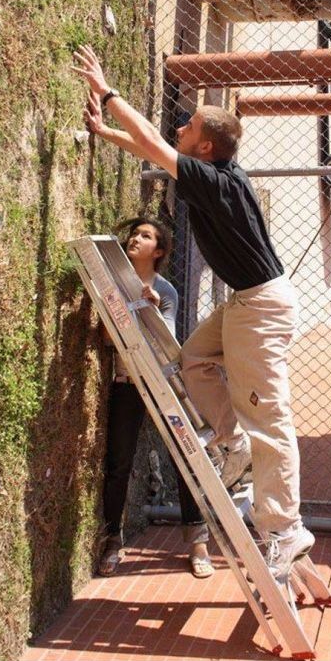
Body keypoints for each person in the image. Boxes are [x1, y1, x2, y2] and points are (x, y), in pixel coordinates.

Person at [72, 44, 315, 581]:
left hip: (262, 307)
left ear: (204, 145)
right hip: (247, 301)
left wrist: (107, 92)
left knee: (269, 420)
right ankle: (232, 443)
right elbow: (155, 149)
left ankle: (284, 528)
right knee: (194, 361)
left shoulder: (217, 180)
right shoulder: (211, 171)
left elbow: (153, 144)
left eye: (189, 126)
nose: (180, 127)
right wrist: (106, 132)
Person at [99, 216, 214, 579]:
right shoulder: (113, 283)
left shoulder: (166, 291)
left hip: (162, 386)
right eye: (135, 233)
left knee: (185, 458)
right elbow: (106, 338)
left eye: (146, 236)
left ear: (159, 251)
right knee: (118, 463)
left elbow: (164, 346)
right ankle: (112, 540)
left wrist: (150, 307)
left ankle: (198, 544)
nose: (136, 238)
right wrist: (117, 308)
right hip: (127, 383)